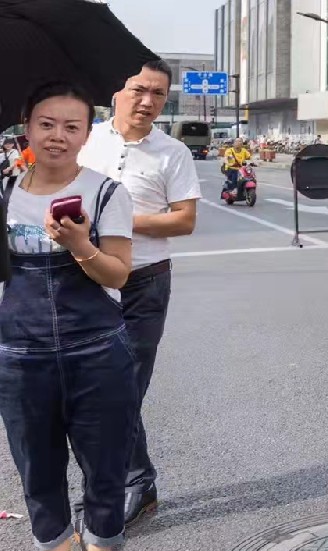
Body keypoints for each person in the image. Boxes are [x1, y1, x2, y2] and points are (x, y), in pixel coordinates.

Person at [1, 82, 137, 551]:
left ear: (87, 134)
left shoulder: (107, 192)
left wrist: (80, 244)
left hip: (96, 350)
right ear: (27, 127)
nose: (58, 136)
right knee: (36, 468)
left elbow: (119, 275)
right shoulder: (5, 191)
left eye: (71, 126)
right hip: (19, 353)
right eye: (47, 124)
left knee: (103, 465)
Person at [77, 60, 201, 526]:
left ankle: (130, 483)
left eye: (159, 95)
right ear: (117, 92)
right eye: (139, 90)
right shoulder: (86, 139)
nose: (147, 102)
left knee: (124, 390)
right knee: (90, 390)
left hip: (144, 282)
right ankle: (122, 482)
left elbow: (183, 220)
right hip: (86, 279)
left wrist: (117, 218)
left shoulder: (172, 152)